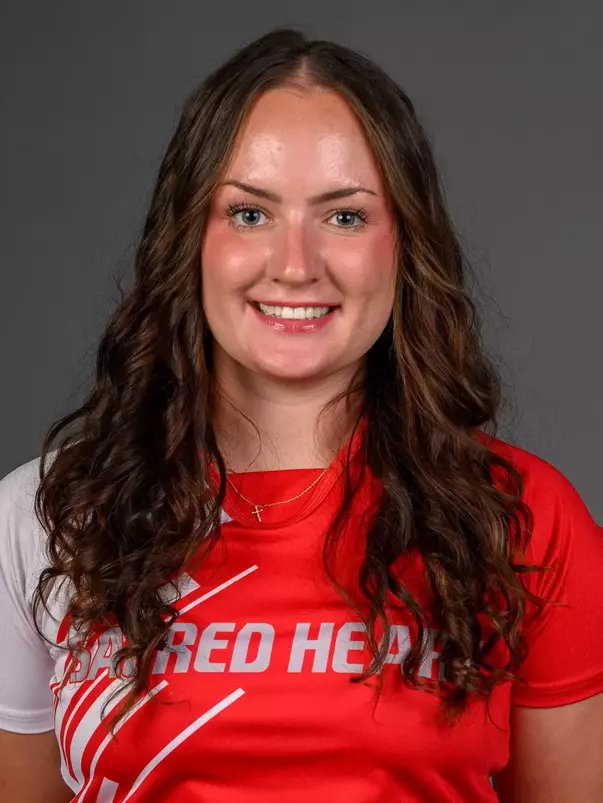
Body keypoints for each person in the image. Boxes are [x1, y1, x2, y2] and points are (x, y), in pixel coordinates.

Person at [0, 26, 602, 803]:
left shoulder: (519, 519)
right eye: (248, 213)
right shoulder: (47, 517)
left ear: (404, 243)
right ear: (188, 239)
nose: (294, 265)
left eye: (344, 217)